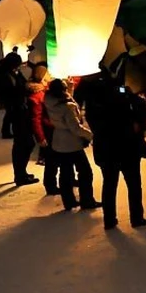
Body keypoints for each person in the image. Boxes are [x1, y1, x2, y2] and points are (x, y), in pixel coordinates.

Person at [74, 66, 146, 231]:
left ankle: (109, 220)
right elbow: (138, 103)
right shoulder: (121, 98)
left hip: (106, 149)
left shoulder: (92, 107)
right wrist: (127, 93)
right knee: (133, 184)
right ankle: (136, 217)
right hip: (127, 146)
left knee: (109, 184)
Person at [44, 79, 100, 211]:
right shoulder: (68, 107)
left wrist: (70, 88)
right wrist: (91, 135)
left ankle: (68, 201)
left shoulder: (50, 101)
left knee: (65, 172)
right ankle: (87, 200)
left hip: (59, 140)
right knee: (85, 172)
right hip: (72, 142)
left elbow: (66, 100)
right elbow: (75, 127)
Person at [0, 52, 39, 186]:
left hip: (20, 112)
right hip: (18, 113)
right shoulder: (5, 78)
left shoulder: (12, 73)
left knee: (24, 143)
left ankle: (21, 173)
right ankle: (20, 175)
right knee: (24, 144)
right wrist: (26, 92)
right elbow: (14, 94)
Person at [26, 62, 59, 195]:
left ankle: (61, 181)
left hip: (52, 129)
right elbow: (36, 118)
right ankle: (50, 185)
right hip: (48, 131)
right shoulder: (37, 95)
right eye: (47, 74)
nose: (50, 76)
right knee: (52, 159)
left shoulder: (44, 91)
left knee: (57, 158)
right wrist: (40, 137)